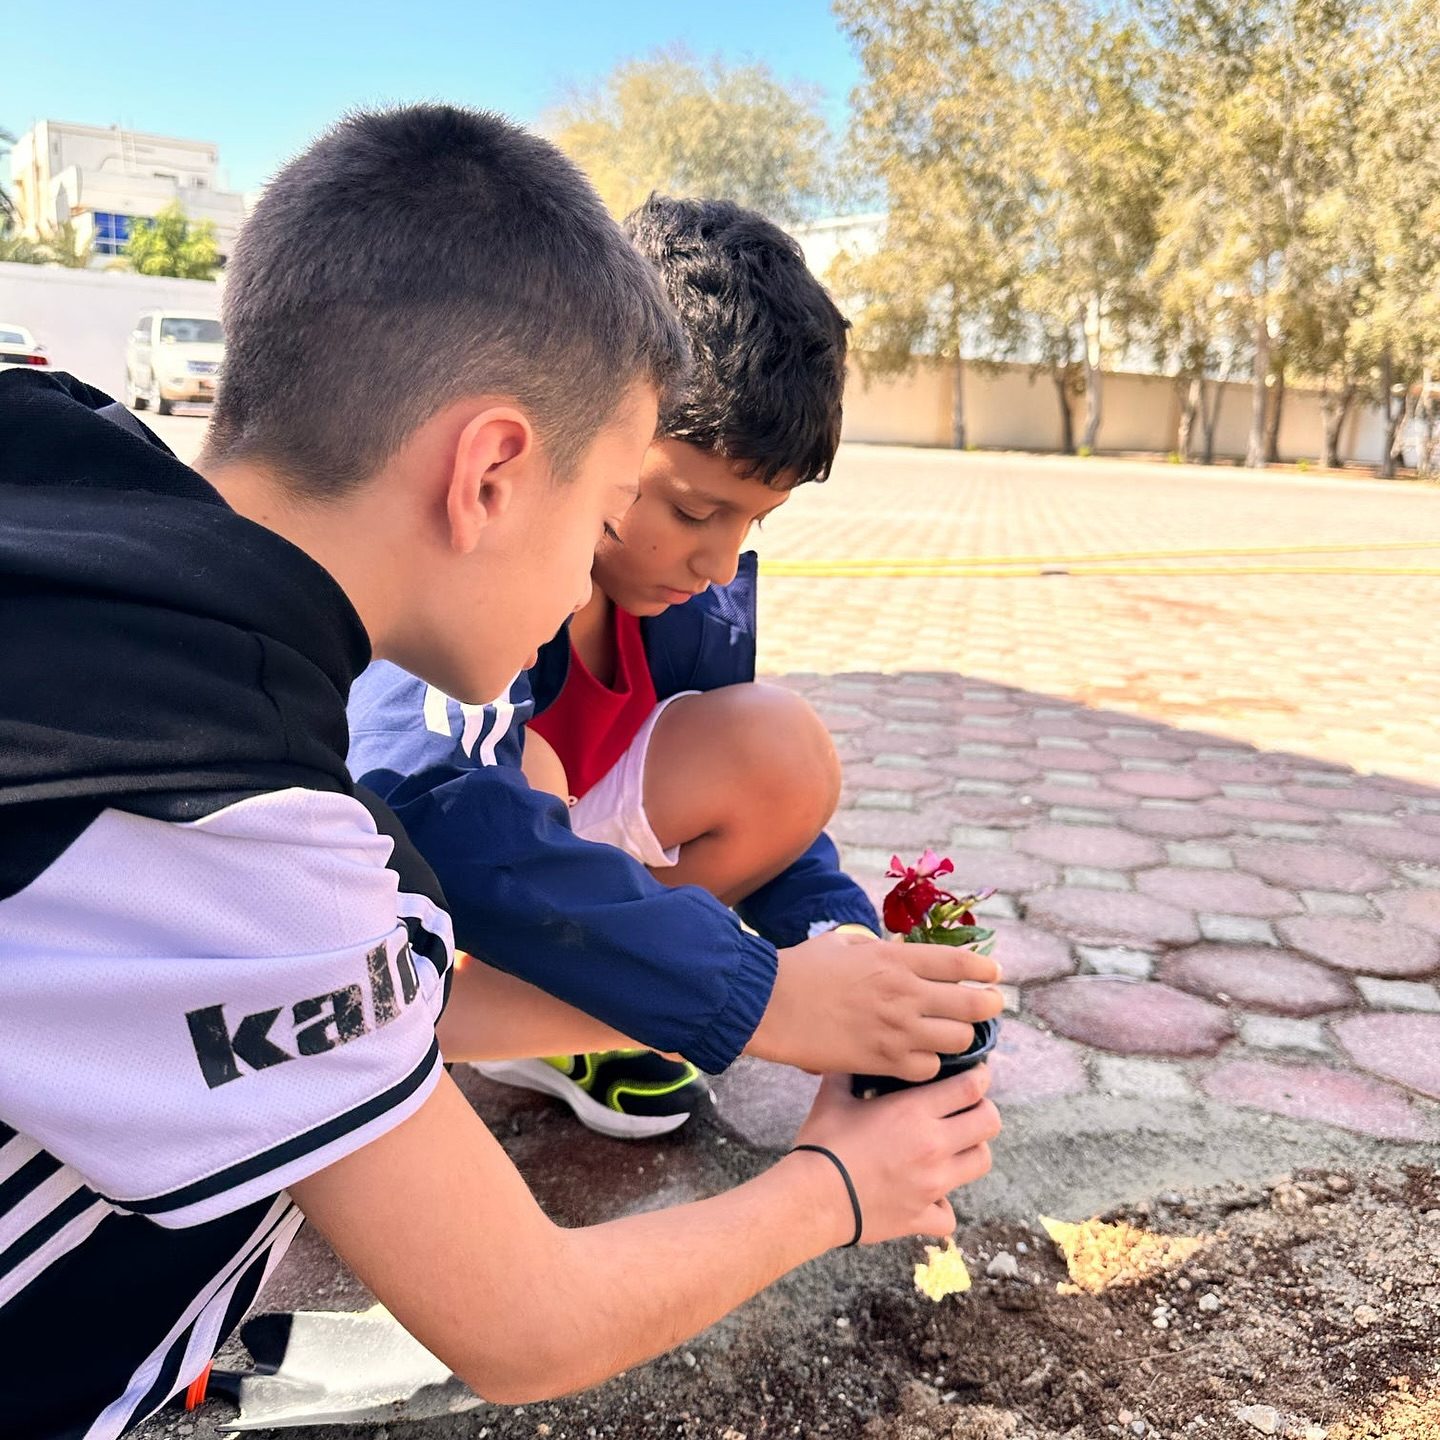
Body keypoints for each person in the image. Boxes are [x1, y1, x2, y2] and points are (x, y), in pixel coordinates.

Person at [0, 105, 1001, 1438]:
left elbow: (385, 1003)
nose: (613, 561)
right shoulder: (235, 824)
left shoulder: (72, 487)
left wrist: (797, 994)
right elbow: (529, 1322)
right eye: (603, 516)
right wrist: (844, 1184)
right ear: (489, 475)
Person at [348, 196, 1002, 1136]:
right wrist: (765, 999)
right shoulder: (483, 571)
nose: (722, 560)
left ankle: (615, 1001)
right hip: (416, 929)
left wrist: (839, 943)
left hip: (564, 885)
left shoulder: (694, 595)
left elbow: (777, 816)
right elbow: (438, 817)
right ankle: (578, 1011)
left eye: (754, 522)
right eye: (695, 512)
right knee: (520, 776)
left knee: (783, 750)